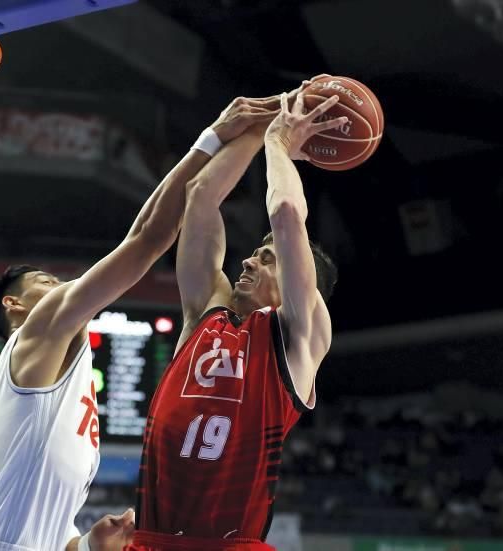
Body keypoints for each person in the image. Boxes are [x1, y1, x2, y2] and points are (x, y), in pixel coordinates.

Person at [0, 94, 283, 551]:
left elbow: (53, 541)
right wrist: (215, 137)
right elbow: (149, 237)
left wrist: (91, 545)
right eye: (44, 280)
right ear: (15, 306)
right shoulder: (37, 330)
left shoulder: (65, 376)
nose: (61, 283)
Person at [129, 84, 346, 550]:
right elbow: (201, 197)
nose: (248, 262)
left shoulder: (300, 335)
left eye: (268, 258)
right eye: (254, 252)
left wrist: (279, 142)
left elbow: (288, 212)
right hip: (151, 540)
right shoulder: (207, 311)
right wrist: (250, 126)